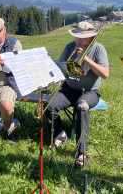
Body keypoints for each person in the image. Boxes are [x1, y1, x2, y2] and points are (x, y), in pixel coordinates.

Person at [44, 21, 109, 168]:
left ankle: (82, 153)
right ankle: (60, 134)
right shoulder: (70, 47)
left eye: (82, 37)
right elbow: (61, 65)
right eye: (77, 37)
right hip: (69, 88)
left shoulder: (99, 49)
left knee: (82, 106)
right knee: (49, 105)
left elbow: (105, 74)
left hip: (90, 91)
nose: (78, 40)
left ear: (91, 37)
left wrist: (85, 59)